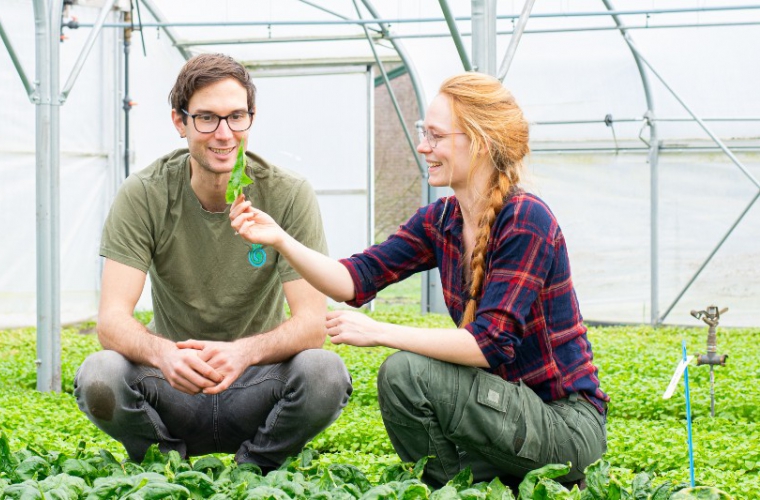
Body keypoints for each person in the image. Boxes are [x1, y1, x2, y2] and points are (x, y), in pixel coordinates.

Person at [230, 72, 608, 487]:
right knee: (403, 378)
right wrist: (280, 238)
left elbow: (488, 344)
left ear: (478, 142)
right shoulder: (441, 220)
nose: (423, 146)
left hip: (565, 425)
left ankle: (477, 486)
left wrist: (379, 331)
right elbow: (353, 281)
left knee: (406, 373)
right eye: (423, 133)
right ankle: (467, 489)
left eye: (436, 136)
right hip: (504, 416)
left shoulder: (525, 219)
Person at [74, 53, 352, 471]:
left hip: (259, 384)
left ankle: (254, 469)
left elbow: (312, 325)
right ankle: (167, 467)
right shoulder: (145, 193)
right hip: (173, 387)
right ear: (179, 122)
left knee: (324, 371)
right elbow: (111, 320)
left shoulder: (288, 194)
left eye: (236, 117)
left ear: (251, 118)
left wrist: (243, 354)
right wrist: (165, 355)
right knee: (100, 373)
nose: (224, 134)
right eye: (206, 118)